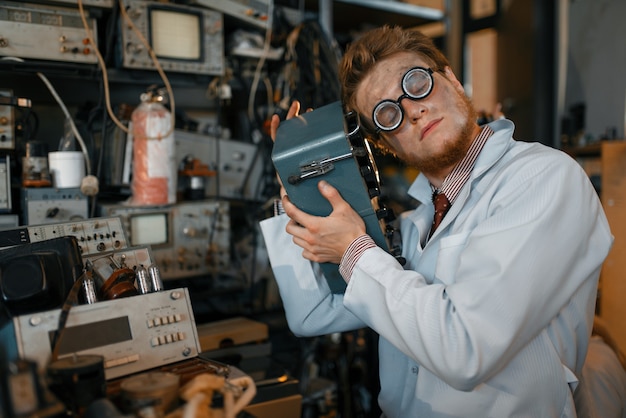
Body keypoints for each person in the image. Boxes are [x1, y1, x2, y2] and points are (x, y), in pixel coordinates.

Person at [259, 25, 613, 417]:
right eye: (388, 113)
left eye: (416, 82)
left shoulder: (542, 178)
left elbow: (466, 350)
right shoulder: (415, 224)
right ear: (385, 144)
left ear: (451, 79)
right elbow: (314, 313)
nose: (412, 109)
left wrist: (354, 251)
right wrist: (296, 190)